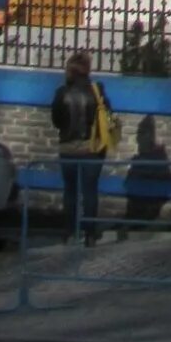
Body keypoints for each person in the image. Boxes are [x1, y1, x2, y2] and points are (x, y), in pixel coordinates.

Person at [50, 49, 110, 244]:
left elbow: (57, 121)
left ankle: (69, 231)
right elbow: (106, 116)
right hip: (92, 149)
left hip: (67, 148)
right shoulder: (97, 91)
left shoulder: (61, 92)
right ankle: (90, 234)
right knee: (90, 191)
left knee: (70, 191)